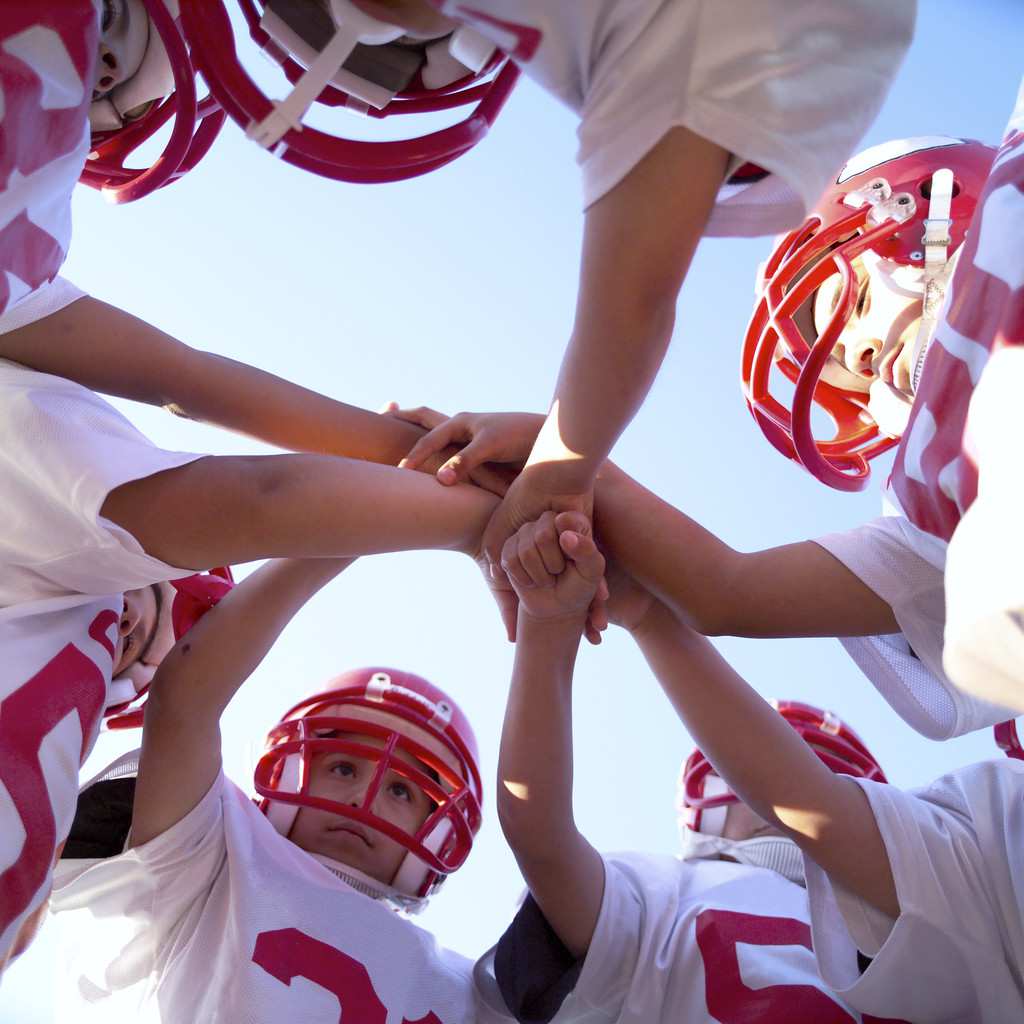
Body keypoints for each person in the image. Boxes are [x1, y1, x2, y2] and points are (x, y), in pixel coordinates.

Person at [179, 0, 917, 574]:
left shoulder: (672, 46)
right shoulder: (654, 51)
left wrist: (561, 470)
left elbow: (629, 312)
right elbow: (730, 598)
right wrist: (558, 468)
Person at [475, 511, 902, 1023]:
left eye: (832, 782)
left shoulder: (921, 925)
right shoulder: (657, 889)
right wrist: (547, 626)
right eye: (761, 778)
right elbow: (539, 835)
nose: (805, 790)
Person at [51, 556, 494, 1021]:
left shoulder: (469, 990)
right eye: (343, 768)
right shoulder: (209, 851)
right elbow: (185, 699)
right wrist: (343, 533)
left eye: (402, 791)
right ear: (288, 772)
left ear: (437, 830)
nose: (363, 799)